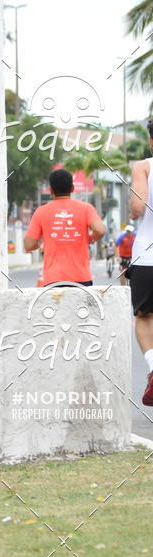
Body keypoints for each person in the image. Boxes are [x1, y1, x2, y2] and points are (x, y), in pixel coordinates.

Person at [24, 169, 106, 285]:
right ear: (72, 188)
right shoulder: (86, 208)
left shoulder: (41, 212)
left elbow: (28, 245)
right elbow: (100, 230)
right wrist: (90, 238)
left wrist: (42, 239)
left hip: (52, 280)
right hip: (81, 279)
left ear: (51, 190)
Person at [128, 123, 153, 405]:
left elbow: (137, 208)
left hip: (147, 257)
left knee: (145, 317)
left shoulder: (144, 166)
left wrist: (132, 201)